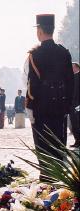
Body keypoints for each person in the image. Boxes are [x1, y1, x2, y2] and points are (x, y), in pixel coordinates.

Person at [26, 14, 74, 174]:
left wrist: (30, 107)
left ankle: (46, 185)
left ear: (39, 31)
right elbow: (70, 83)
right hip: (60, 110)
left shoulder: (35, 55)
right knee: (58, 150)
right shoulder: (64, 53)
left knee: (44, 151)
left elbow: (32, 85)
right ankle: (59, 186)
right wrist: (67, 107)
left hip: (42, 110)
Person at [70, 62, 80, 148]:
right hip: (72, 105)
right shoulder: (71, 77)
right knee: (74, 124)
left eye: (72, 67)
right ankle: (77, 140)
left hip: (78, 105)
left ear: (77, 67)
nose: (71, 69)